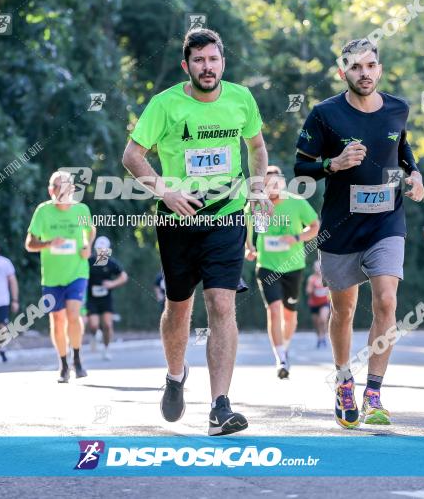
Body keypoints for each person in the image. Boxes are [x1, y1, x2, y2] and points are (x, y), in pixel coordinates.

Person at [121, 28, 271, 436]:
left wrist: (256, 186)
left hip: (227, 215)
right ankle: (174, 375)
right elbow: (132, 156)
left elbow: (256, 147)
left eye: (214, 59)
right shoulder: (165, 105)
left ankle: (220, 406)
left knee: (222, 304)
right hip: (178, 220)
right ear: (186, 66)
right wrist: (165, 190)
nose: (208, 67)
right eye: (199, 60)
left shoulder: (241, 99)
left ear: (223, 62)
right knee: (179, 307)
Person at [294, 38, 424, 429]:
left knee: (386, 301)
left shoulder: (398, 108)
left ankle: (374, 393)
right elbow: (301, 168)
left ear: (379, 69)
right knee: (344, 309)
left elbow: (402, 150)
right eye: (355, 67)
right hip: (340, 227)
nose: (364, 73)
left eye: (370, 66)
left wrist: (414, 173)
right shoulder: (324, 114)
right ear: (343, 72)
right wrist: (332, 165)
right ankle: (343, 381)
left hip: (387, 222)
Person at [245, 165, 319, 379]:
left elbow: (315, 227)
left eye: (275, 183)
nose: (271, 188)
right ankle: (281, 359)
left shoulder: (297, 203)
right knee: (274, 310)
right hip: (267, 265)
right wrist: (249, 248)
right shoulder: (257, 205)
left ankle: (284, 347)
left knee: (290, 315)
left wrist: (295, 238)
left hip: (293, 267)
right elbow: (248, 230)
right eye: (266, 184)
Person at [25, 170, 96, 383]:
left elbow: (90, 230)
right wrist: (48, 243)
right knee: (57, 320)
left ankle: (77, 357)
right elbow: (29, 244)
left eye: (64, 186)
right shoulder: (43, 212)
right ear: (50, 190)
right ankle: (64, 363)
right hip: (52, 276)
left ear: (71, 189)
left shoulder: (81, 209)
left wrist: (88, 246)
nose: (60, 191)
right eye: (56, 187)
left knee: (73, 314)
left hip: (77, 271)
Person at [86, 236, 128, 360]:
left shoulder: (111, 263)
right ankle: (94, 336)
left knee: (108, 325)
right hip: (91, 298)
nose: (101, 251)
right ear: (95, 249)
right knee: (93, 324)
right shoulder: (88, 262)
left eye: (104, 249)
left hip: (106, 299)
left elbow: (124, 276)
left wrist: (112, 284)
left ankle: (106, 349)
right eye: (99, 249)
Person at [306, 260, 331, 348]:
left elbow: (330, 290)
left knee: (323, 319)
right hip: (314, 304)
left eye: (319, 267)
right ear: (314, 268)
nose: (318, 269)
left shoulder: (326, 278)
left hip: (324, 303)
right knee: (316, 323)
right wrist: (313, 287)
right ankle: (319, 337)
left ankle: (323, 336)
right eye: (316, 267)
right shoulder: (311, 279)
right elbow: (308, 291)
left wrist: (328, 292)